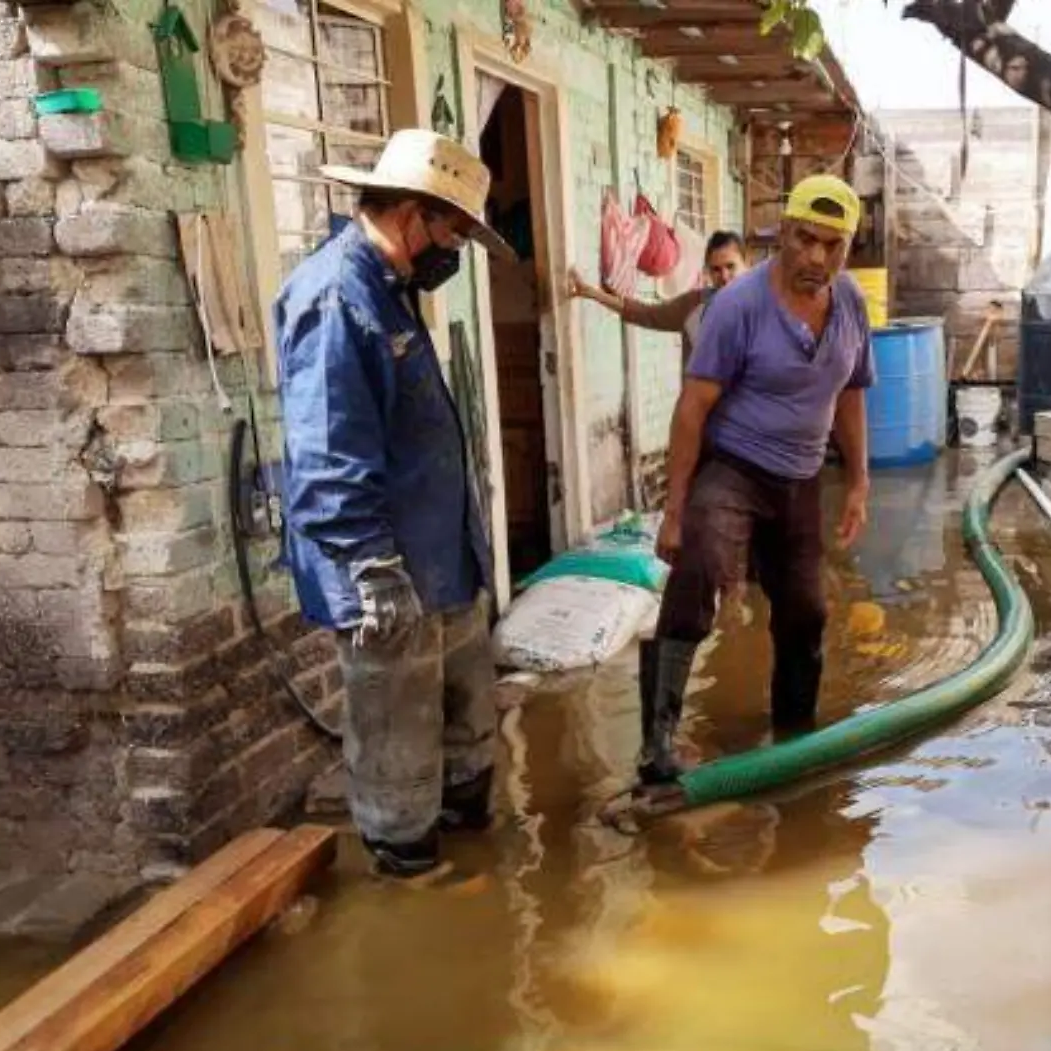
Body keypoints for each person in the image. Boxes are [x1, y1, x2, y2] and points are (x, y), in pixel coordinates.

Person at [275, 129, 514, 881]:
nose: (458, 250)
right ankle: (408, 871)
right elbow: (326, 456)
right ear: (415, 213)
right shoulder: (337, 297)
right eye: (456, 231)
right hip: (390, 570)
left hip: (444, 561)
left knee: (462, 722)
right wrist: (374, 568)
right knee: (396, 737)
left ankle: (468, 833)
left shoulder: (391, 291)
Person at [636, 175, 874, 791]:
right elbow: (691, 409)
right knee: (698, 572)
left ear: (847, 247)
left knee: (807, 612)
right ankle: (657, 743)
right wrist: (673, 511)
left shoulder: (850, 303)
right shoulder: (737, 306)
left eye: (832, 244)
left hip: (800, 479)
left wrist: (858, 483)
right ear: (781, 235)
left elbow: (850, 395)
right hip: (735, 468)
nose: (816, 258)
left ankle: (793, 741)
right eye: (804, 240)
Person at [566, 230, 748, 364]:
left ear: (746, 264)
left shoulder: (765, 308)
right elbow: (644, 313)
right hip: (702, 414)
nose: (724, 276)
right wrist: (591, 293)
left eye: (730, 266)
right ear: (708, 270)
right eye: (716, 269)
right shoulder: (693, 305)